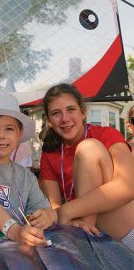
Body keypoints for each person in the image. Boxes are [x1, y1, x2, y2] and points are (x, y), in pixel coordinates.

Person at [39, 83, 134, 251]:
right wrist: (64, 215)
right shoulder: (49, 153)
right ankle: (87, 240)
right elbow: (53, 205)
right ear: (49, 121)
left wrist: (66, 212)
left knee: (89, 148)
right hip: (90, 231)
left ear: (83, 112)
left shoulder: (106, 134)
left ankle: (86, 237)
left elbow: (128, 186)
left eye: (71, 110)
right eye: (56, 113)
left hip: (126, 227)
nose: (65, 119)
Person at [0, 91, 57, 249]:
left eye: (9, 129)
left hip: (21, 237)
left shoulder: (26, 175)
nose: (1, 136)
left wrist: (48, 215)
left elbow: (44, 208)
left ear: (19, 135)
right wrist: (15, 232)